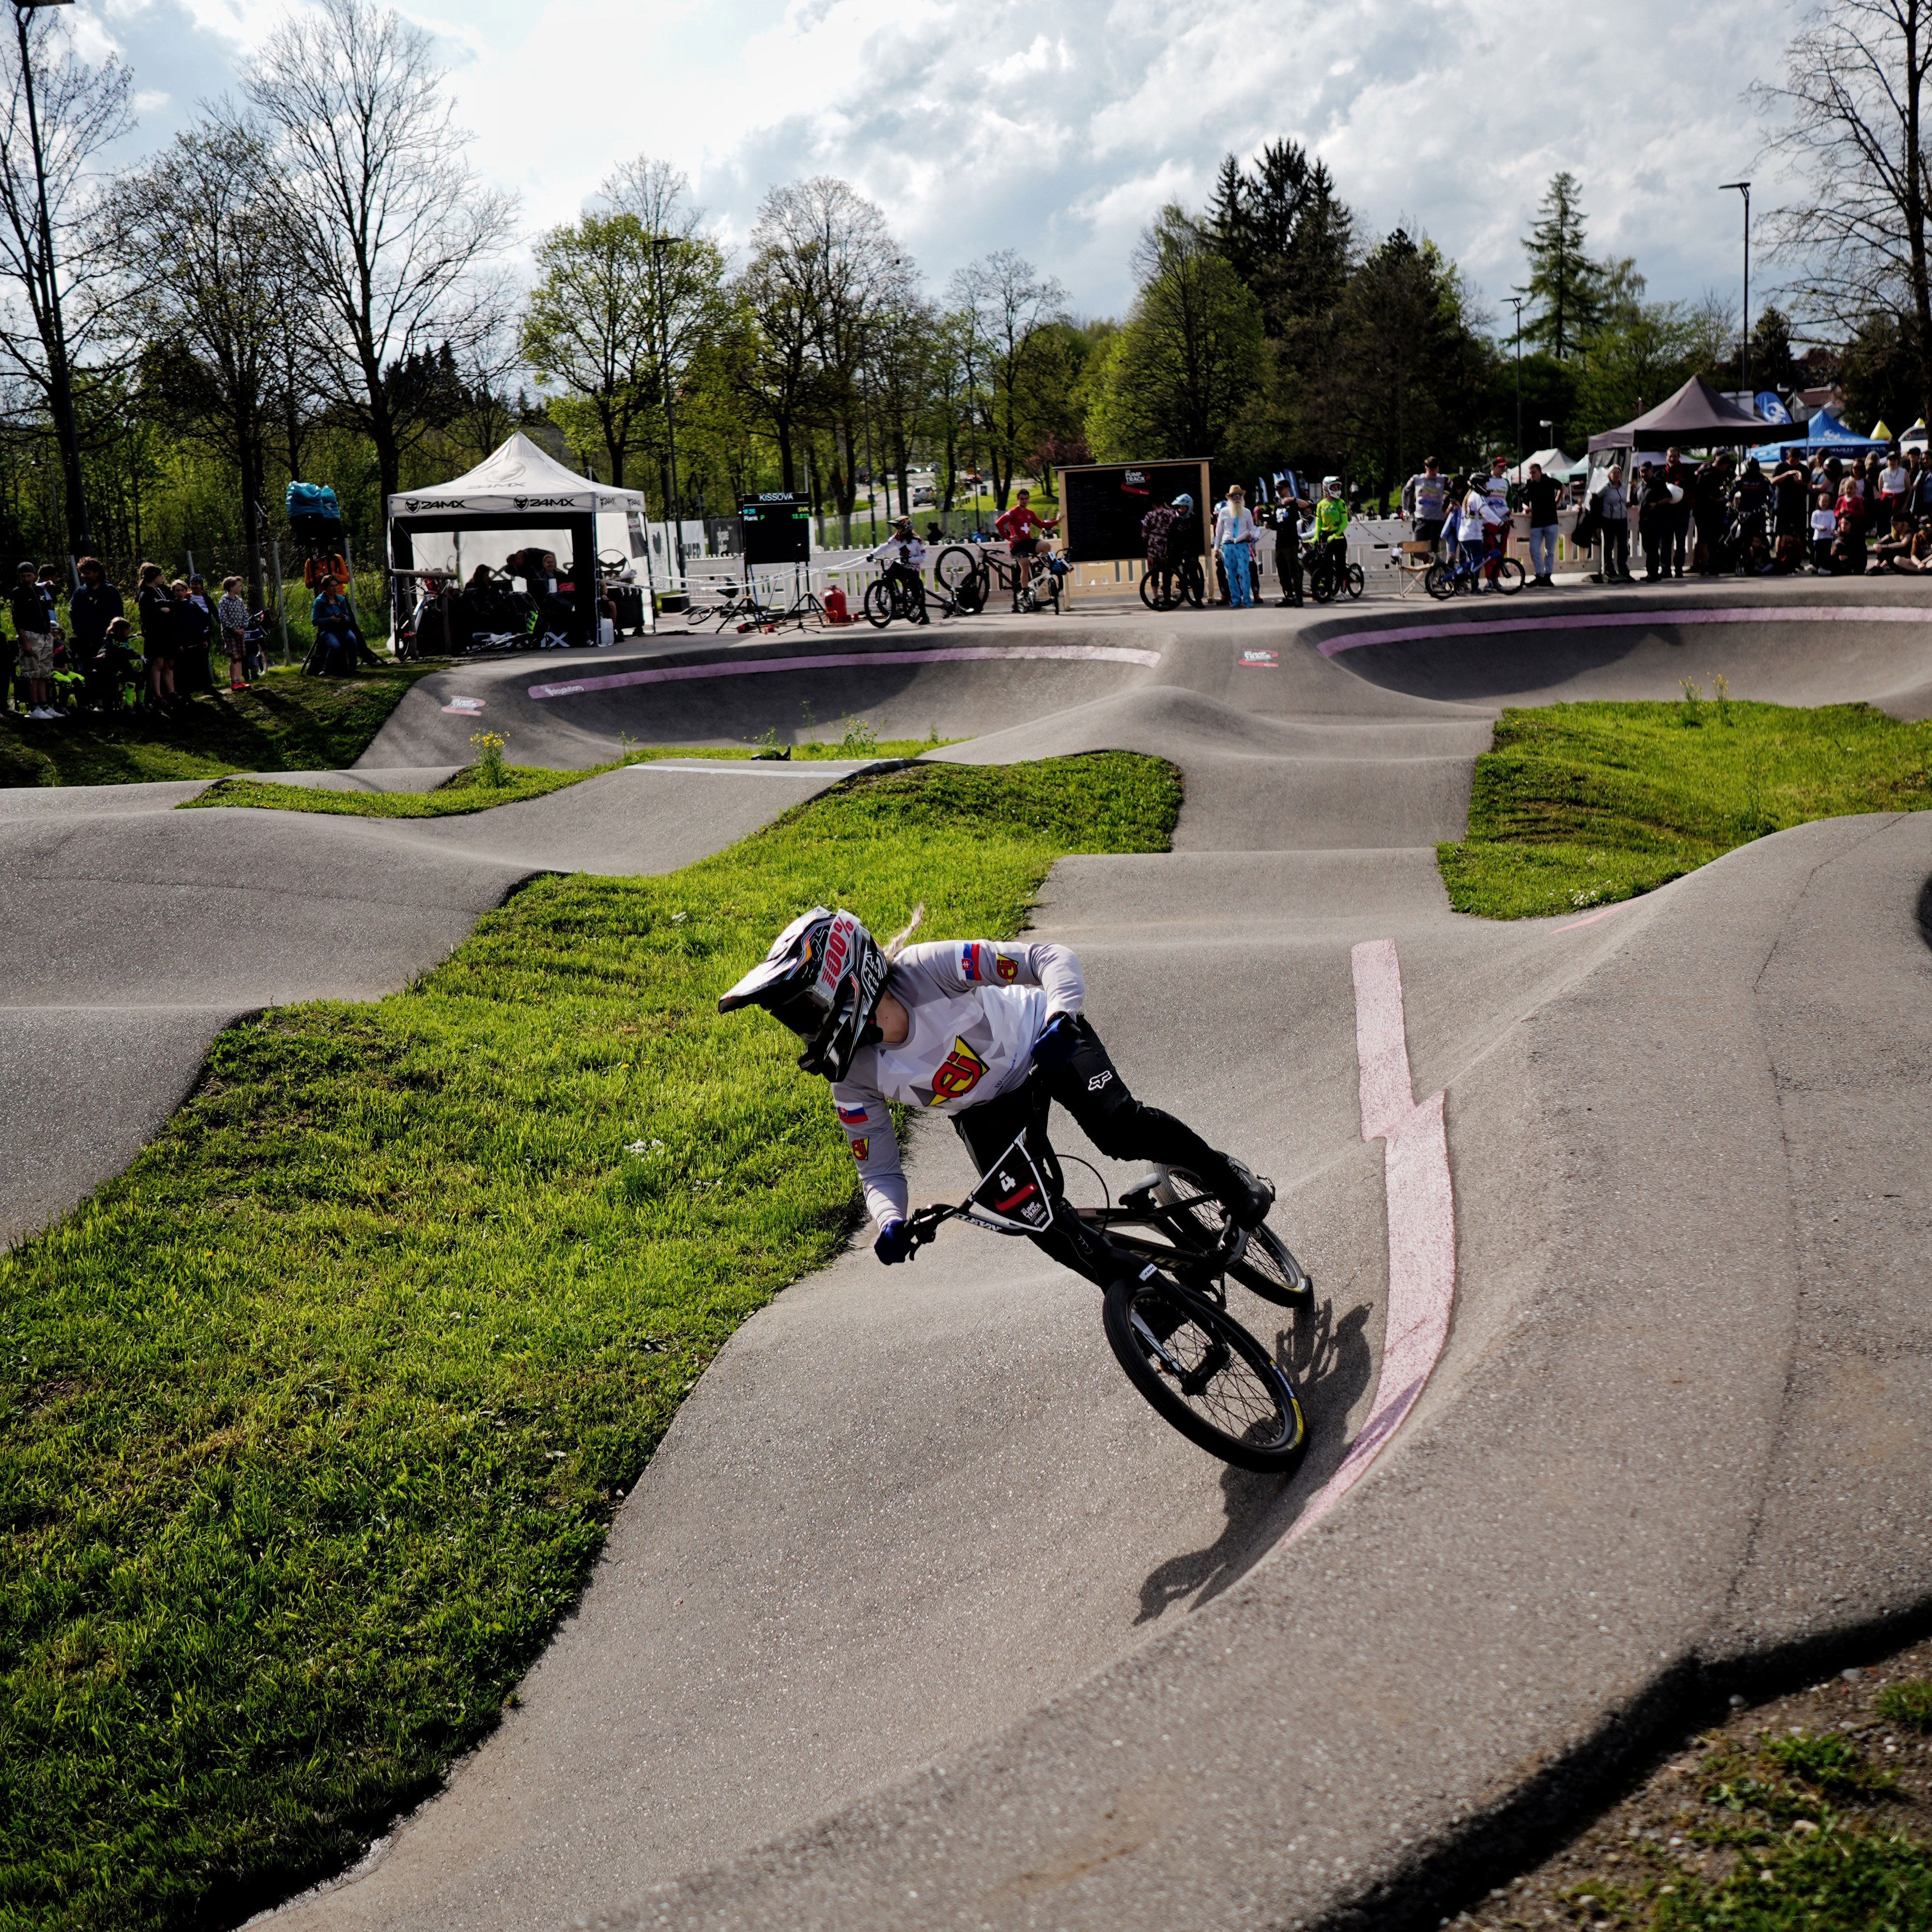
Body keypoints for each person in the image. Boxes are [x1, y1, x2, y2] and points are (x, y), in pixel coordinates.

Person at [717, 908, 1276, 1277]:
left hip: (1043, 1041)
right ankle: (1147, 1298)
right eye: (796, 1019)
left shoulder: (928, 969)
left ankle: (1232, 1183)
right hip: (986, 1108)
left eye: (805, 1010)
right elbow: (878, 1173)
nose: (806, 1028)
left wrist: (1062, 1016)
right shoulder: (852, 1076)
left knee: (1119, 1130)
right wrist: (888, 1221)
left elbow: (1047, 959)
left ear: (847, 978)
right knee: (1032, 1216)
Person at [11, 559, 58, 719]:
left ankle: (45, 705)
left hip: (45, 635)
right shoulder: (18, 593)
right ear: (19, 577)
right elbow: (17, 619)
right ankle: (35, 707)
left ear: (34, 575)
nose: (26, 579)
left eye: (29, 575)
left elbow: (46, 612)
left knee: (44, 672)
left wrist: (50, 632)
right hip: (30, 635)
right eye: (23, 576)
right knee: (32, 671)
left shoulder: (39, 591)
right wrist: (24, 642)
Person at [994, 487, 1053, 608]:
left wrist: (1057, 522)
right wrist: (1009, 537)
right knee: (1025, 564)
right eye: (1022, 499)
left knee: (1046, 546)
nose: (1024, 501)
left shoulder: (1030, 513)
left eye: (1026, 499)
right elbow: (998, 523)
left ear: (1029, 499)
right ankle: (1026, 594)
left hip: (1027, 542)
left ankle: (1038, 573)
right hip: (1017, 545)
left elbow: (1042, 524)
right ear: (1018, 499)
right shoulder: (1013, 512)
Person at [866, 516, 929, 625]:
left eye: (899, 527)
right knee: (888, 563)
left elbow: (923, 558)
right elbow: (885, 547)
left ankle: (925, 616)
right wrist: (872, 554)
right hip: (903, 566)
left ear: (906, 527)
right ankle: (892, 591)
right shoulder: (897, 538)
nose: (898, 530)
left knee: (916, 592)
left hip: (913, 569)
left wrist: (909, 559)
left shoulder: (916, 540)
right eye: (897, 528)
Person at [1213, 484, 1259, 608]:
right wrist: (1217, 548)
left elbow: (1252, 528)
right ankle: (1236, 599)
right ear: (1230, 498)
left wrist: (1251, 535)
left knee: (1245, 572)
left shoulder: (1247, 512)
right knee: (1230, 574)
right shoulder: (1223, 512)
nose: (1237, 498)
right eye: (1234, 496)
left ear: (1242, 497)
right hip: (1228, 546)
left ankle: (1247, 599)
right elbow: (1219, 531)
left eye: (1239, 496)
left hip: (1242, 545)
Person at [1521, 461, 1562, 587]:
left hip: (1551, 520)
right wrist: (1526, 507)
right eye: (1530, 473)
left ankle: (1547, 575)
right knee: (1534, 549)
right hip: (1537, 522)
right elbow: (1524, 501)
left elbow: (1562, 487)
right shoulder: (1530, 485)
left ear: (1540, 472)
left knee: (1550, 551)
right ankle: (1539, 574)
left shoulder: (1549, 481)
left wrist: (1557, 501)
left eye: (1534, 472)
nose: (1532, 475)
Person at [1272, 478, 1308, 605]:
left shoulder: (1293, 503)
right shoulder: (1277, 505)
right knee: (1282, 571)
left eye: (1281, 489)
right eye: (1277, 489)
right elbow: (1276, 523)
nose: (1279, 491)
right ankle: (1289, 596)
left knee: (1294, 570)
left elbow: (1306, 505)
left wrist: (1293, 499)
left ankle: (1299, 596)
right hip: (1280, 542)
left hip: (1291, 541)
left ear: (1287, 488)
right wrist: (1270, 525)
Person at [1637, 461, 1675, 582]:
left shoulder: (1658, 483)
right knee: (1647, 548)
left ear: (1652, 471)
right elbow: (1634, 500)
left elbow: (1669, 497)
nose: (1644, 474)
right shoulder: (1640, 486)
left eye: (1646, 471)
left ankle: (1653, 573)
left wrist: (1657, 504)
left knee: (1653, 548)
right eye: (1642, 472)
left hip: (1656, 521)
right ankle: (1650, 572)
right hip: (1643, 522)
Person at [1592, 466, 1630, 582]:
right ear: (1610, 475)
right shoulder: (1606, 488)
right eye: (1614, 473)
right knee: (1609, 545)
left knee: (1623, 544)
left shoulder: (1623, 487)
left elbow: (1624, 500)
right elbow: (1595, 497)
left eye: (1618, 473)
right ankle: (1609, 568)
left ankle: (1623, 567)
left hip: (1622, 518)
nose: (1617, 475)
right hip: (1609, 519)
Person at [1402, 456, 1448, 552]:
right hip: (1421, 519)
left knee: (1433, 550)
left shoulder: (1443, 479)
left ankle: (1434, 565)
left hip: (1436, 520)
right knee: (1416, 549)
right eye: (1432, 470)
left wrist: (1448, 509)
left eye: (1436, 469)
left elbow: (1456, 492)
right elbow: (1406, 492)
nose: (1434, 472)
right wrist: (1405, 509)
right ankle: (1427, 561)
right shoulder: (1416, 479)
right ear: (1426, 469)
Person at [217, 576, 251, 690]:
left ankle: (239, 680)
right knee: (234, 657)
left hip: (240, 633)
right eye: (239, 586)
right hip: (230, 633)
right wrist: (234, 630)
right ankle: (233, 682)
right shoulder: (224, 601)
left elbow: (245, 615)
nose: (241, 588)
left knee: (240, 656)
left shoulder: (240, 601)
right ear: (232, 588)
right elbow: (223, 618)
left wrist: (243, 628)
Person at [1313, 475, 1349, 580]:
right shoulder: (1320, 504)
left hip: (1338, 537)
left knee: (1340, 565)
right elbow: (1318, 523)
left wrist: (1335, 535)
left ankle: (1343, 590)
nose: (1337, 490)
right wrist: (1316, 536)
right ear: (1326, 488)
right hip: (1325, 537)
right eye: (1334, 487)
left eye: (1338, 487)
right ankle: (1329, 591)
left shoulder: (1340, 503)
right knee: (1326, 564)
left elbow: (1344, 523)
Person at [1809, 489, 1839, 572]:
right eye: (1823, 501)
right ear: (1819, 502)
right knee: (1818, 552)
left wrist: (1832, 529)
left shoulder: (1831, 513)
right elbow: (1813, 524)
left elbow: (1833, 521)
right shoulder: (1815, 513)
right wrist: (1820, 527)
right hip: (1818, 537)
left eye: (1826, 501)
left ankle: (1825, 567)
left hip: (1828, 536)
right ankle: (1817, 566)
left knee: (1826, 552)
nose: (1824, 503)